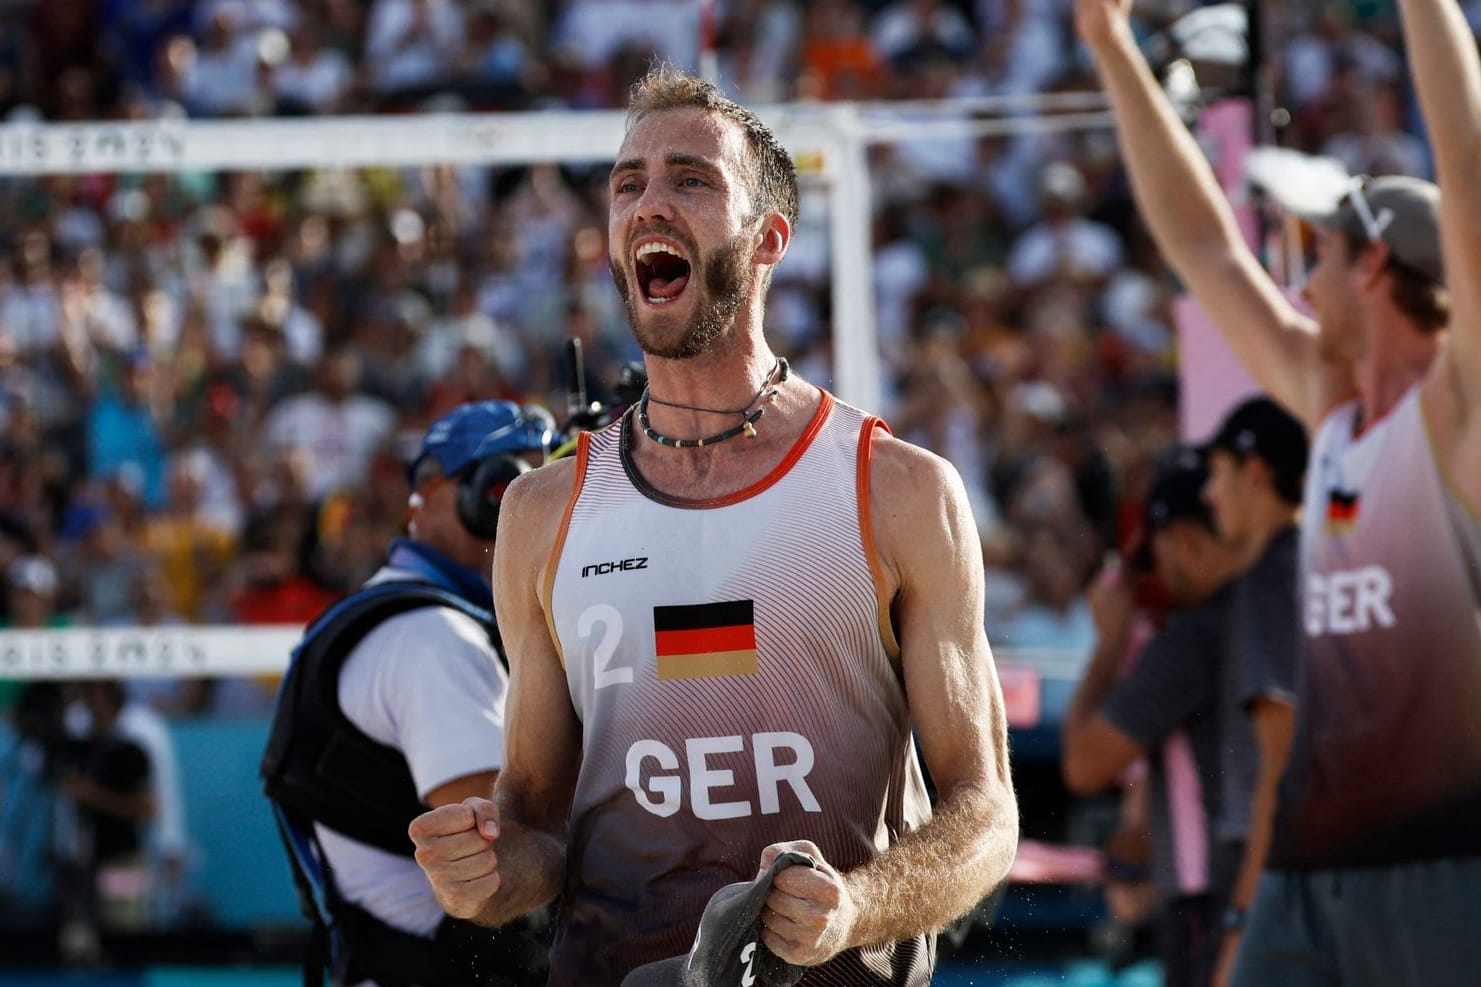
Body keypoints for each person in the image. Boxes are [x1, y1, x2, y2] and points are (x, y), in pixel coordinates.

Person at [407, 64, 1019, 986]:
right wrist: (485, 872)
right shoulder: (541, 512)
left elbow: (985, 815)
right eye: (628, 184)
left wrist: (855, 906)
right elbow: (535, 821)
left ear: (767, 238)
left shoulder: (896, 490)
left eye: (691, 178)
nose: (650, 203)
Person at [1075, 0, 1481, 983]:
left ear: (1376, 264)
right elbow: (1205, 251)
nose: (1298, 285)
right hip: (1302, 879)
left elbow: (1465, 169)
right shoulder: (1332, 414)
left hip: (1436, 875)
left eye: (1323, 257)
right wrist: (1108, 46)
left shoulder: (1457, 412)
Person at [261, 400, 553, 987]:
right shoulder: (435, 640)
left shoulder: (415, 617)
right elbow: (501, 855)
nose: (530, 510)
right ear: (445, 493)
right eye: (513, 486)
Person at [1061, 450, 1249, 987]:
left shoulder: (1191, 640)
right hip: (1259, 893)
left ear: (1185, 540)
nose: (1151, 579)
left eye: (1151, 558)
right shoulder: (1266, 613)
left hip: (1210, 902)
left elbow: (1083, 764)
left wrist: (1110, 642)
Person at [1197, 397, 1306, 987]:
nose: (1209, 495)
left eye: (1217, 475)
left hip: (1274, 882)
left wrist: (1241, 926)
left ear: (1255, 474)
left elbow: (1279, 771)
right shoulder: (1319, 561)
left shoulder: (1270, 580)